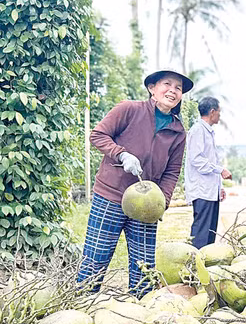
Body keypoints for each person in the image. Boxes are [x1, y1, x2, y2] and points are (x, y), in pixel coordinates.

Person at [77, 69, 193, 295]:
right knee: (95, 259)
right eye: (167, 84)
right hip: (111, 195)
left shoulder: (178, 132)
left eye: (178, 88)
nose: (172, 90)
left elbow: (172, 172)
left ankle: (139, 308)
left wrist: (162, 202)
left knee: (144, 268)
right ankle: (82, 302)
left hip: (146, 205)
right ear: (152, 88)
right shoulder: (129, 109)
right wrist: (121, 154)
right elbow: (98, 135)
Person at [185, 96, 231, 248]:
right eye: (219, 111)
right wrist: (221, 170)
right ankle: (196, 259)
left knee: (210, 231)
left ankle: (207, 259)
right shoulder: (198, 130)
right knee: (201, 232)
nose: (220, 115)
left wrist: (219, 188)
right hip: (202, 190)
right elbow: (197, 160)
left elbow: (210, 160)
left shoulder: (208, 132)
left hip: (210, 190)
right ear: (212, 112)